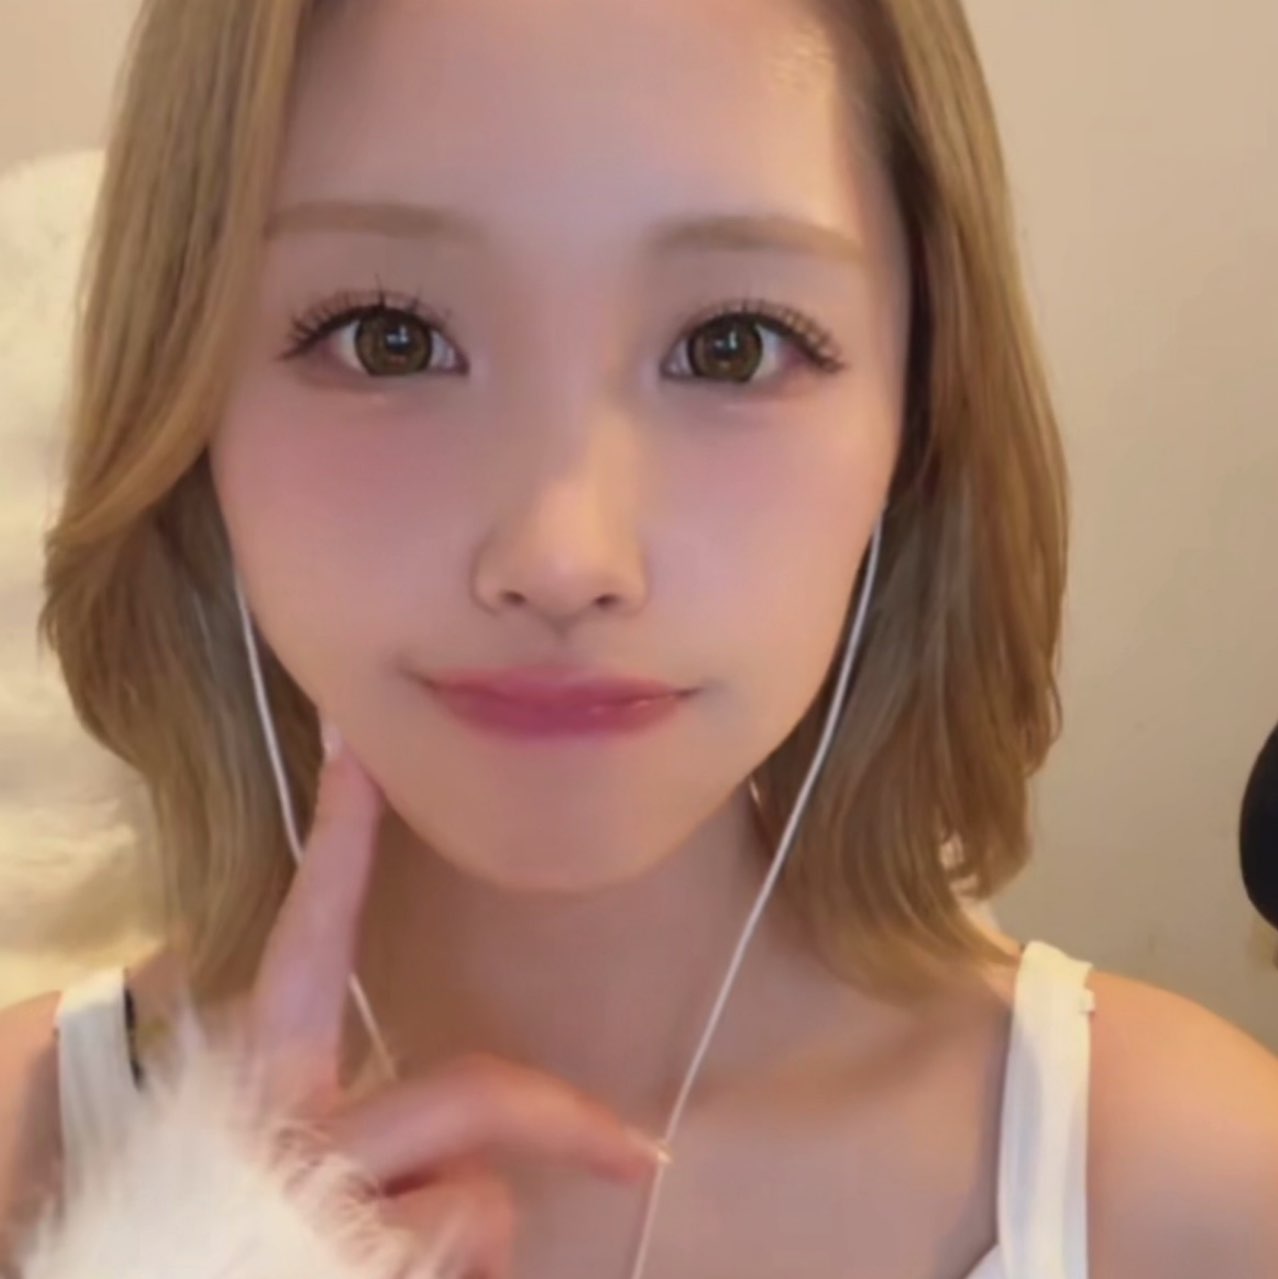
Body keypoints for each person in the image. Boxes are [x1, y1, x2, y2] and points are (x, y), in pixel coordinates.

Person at [2, 0, 1277, 1275]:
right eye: (389, 338)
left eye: (732, 347)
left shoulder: (1195, 1191)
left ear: (920, 413)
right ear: (190, 404)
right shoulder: (27, 1166)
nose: (563, 557)